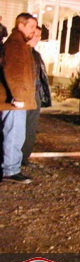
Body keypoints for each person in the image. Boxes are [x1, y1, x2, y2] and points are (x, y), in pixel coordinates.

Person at [1, 13, 39, 183]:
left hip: (17, 100)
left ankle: (11, 167)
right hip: (15, 102)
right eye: (31, 27)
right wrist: (17, 96)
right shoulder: (16, 44)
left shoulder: (20, 44)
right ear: (20, 26)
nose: (34, 31)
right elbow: (13, 72)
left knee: (15, 134)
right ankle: (10, 170)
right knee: (14, 134)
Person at [21, 26, 52, 167]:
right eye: (36, 35)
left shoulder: (35, 54)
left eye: (40, 35)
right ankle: (13, 160)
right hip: (23, 94)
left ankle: (24, 157)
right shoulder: (20, 51)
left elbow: (40, 75)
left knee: (30, 128)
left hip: (35, 93)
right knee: (18, 128)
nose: (38, 38)